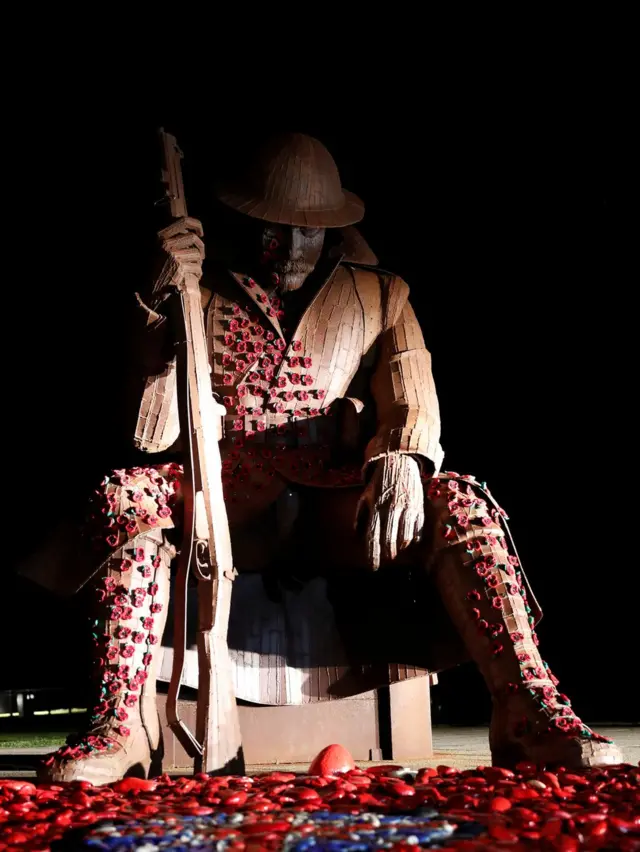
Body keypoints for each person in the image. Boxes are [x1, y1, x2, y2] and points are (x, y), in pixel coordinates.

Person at [35, 133, 621, 783]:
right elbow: (151, 435)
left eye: (306, 232)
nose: (288, 248)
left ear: (333, 229)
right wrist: (158, 312)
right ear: (245, 219)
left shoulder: (381, 294)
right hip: (227, 499)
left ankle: (525, 704)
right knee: (127, 495)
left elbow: (411, 391)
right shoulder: (198, 293)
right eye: (273, 229)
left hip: (338, 502)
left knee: (463, 499)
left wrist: (402, 456)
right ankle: (121, 720)